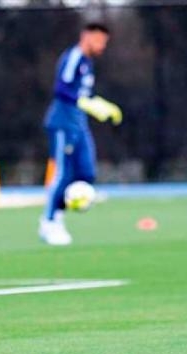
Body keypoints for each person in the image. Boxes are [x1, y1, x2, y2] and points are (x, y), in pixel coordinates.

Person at [40, 23, 123, 245]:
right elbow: (61, 89)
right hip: (62, 123)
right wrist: (83, 102)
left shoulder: (88, 64)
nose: (102, 46)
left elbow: (86, 94)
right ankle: (50, 222)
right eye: (99, 41)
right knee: (62, 174)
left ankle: (62, 212)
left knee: (86, 173)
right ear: (86, 36)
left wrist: (103, 105)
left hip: (79, 124)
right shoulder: (74, 57)